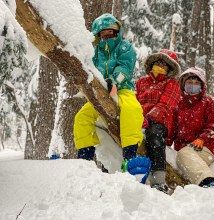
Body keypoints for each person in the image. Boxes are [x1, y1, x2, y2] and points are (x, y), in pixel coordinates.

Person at [74, 14, 148, 177]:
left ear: (117, 32)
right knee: (82, 117)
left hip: (122, 89)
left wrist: (113, 81)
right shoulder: (95, 51)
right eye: (104, 34)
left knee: (131, 110)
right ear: (98, 35)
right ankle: (84, 159)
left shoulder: (125, 47)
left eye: (111, 33)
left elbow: (125, 68)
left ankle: (130, 156)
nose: (108, 36)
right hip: (100, 93)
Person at [136, 49, 181, 193]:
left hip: (159, 123)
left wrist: (147, 118)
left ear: (170, 69)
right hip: (138, 120)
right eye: (158, 63)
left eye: (165, 64)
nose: (160, 66)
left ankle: (158, 180)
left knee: (154, 134)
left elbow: (165, 106)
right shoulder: (141, 82)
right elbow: (134, 102)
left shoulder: (172, 84)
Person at [172, 67, 214, 188]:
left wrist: (203, 138)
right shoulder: (177, 103)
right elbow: (171, 128)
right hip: (182, 148)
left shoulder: (208, 101)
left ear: (202, 86)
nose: (192, 85)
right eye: (189, 82)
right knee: (183, 154)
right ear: (183, 83)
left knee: (184, 154)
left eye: (196, 83)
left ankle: (209, 182)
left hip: (205, 147)